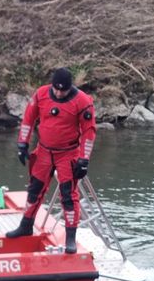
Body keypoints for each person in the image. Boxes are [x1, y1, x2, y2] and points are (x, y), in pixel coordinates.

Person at [7, 67, 95, 254]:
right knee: (34, 190)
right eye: (55, 89)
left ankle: (71, 237)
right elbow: (28, 119)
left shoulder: (83, 102)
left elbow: (89, 132)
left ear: (70, 87)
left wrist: (84, 159)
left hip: (68, 154)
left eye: (62, 90)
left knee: (68, 196)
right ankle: (26, 225)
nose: (58, 93)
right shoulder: (41, 94)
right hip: (44, 151)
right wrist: (22, 144)